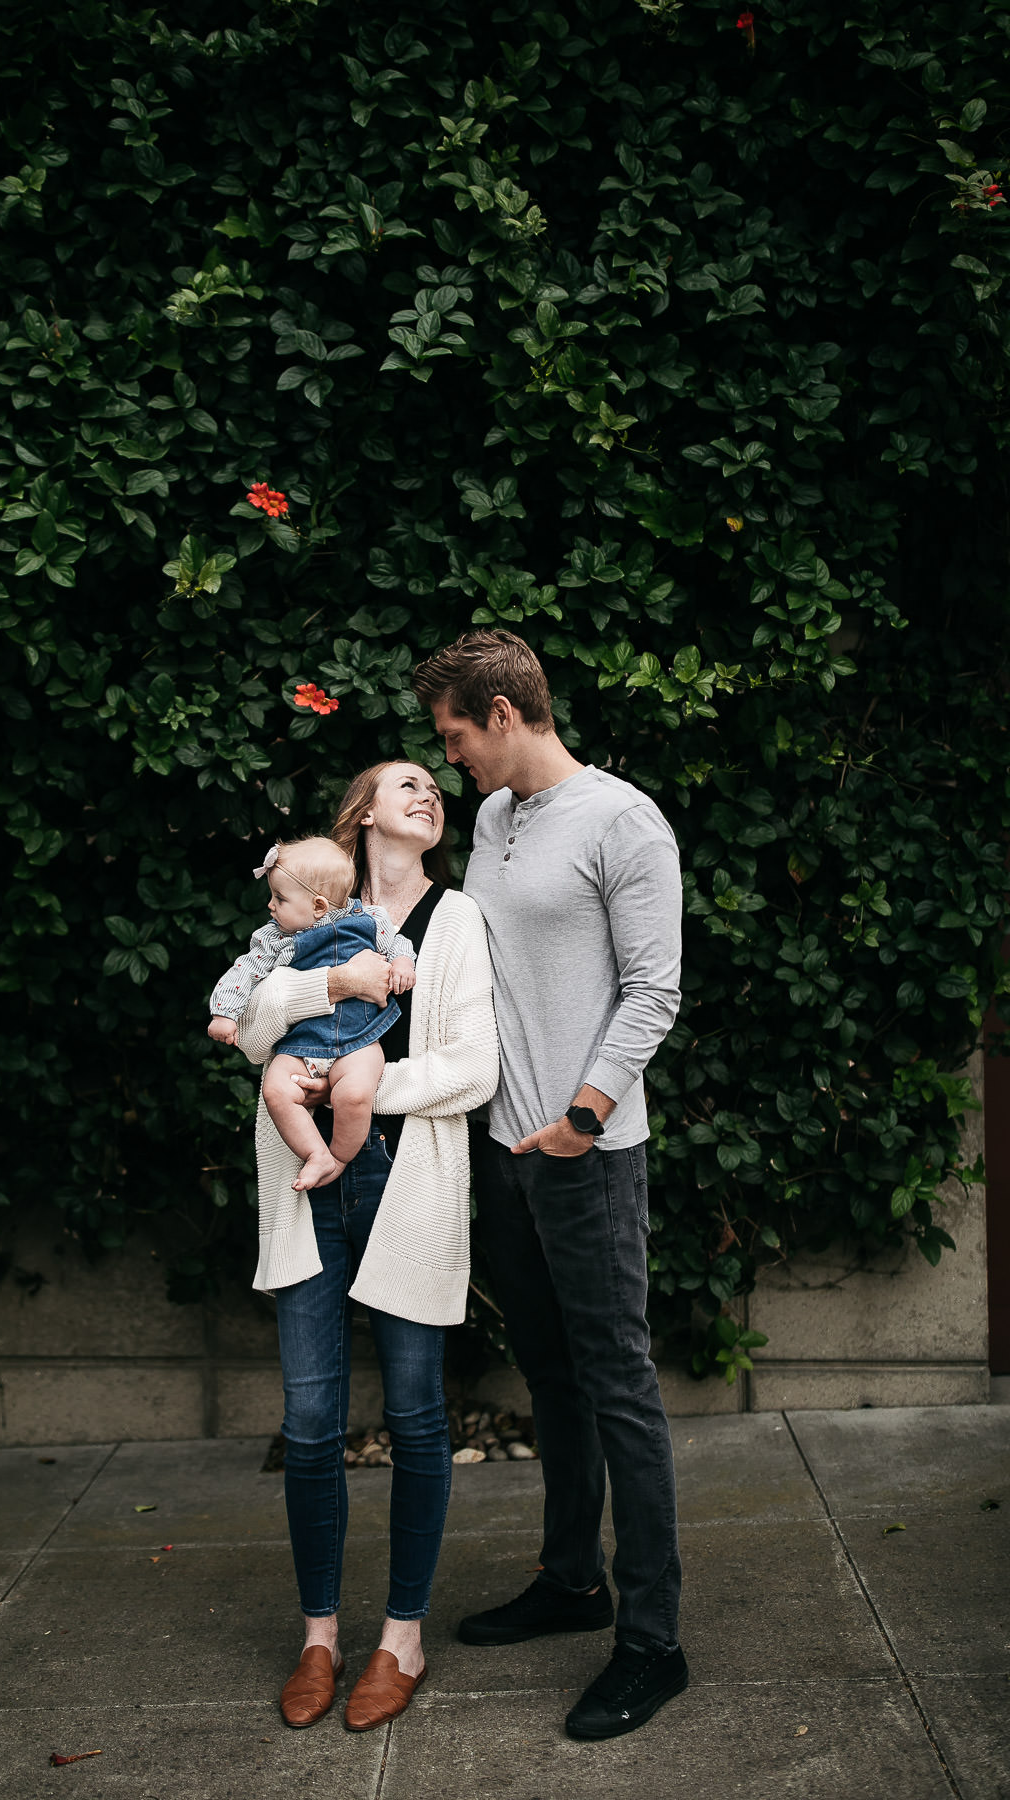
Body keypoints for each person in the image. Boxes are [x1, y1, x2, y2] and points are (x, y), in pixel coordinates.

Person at [412, 629, 688, 1743]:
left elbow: (654, 989)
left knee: (620, 1384)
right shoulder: (492, 819)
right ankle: (573, 1579)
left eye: (456, 735)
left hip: (587, 1155)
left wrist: (582, 1117)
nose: (450, 758)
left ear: (505, 712)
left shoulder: (623, 821)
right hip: (503, 1154)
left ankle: (653, 1641)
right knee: (553, 1376)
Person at [226, 763, 498, 1732]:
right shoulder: (307, 903)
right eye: (406, 783)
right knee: (308, 1424)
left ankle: (403, 1638)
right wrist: (333, 984)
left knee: (418, 1415)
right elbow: (253, 1029)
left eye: (436, 786)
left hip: (405, 1178)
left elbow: (472, 1069)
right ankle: (320, 1636)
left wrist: (350, 1086)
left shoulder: (455, 919)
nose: (428, 795)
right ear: (364, 813)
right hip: (306, 1189)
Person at [207, 836, 416, 1190]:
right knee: (275, 1089)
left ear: (319, 905)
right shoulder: (275, 939)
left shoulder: (369, 918)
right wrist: (225, 1012)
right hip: (302, 1044)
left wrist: (401, 961)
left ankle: (338, 1156)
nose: (271, 906)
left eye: (280, 898)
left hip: (359, 1039)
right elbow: (245, 971)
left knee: (353, 1094)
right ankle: (315, 1152)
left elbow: (396, 941)